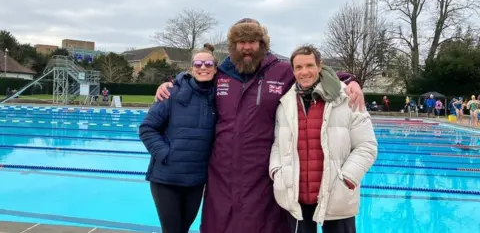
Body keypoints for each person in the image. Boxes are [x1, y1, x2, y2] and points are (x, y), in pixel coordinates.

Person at [155, 18, 366, 233]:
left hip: (262, 169)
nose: (247, 47)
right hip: (221, 169)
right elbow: (196, 78)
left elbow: (312, 74)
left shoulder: (281, 71)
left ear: (262, 44)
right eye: (241, 42)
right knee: (220, 223)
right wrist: (173, 81)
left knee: (264, 224)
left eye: (253, 41)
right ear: (233, 45)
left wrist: (350, 80)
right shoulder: (221, 74)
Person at [269, 45, 378, 233]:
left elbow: (366, 146)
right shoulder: (284, 103)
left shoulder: (347, 98)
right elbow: (278, 144)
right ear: (293, 71)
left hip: (337, 194)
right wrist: (278, 173)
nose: (304, 72)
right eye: (298, 67)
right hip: (296, 196)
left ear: (320, 67)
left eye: (309, 65)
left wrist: (348, 178)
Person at [139, 44, 218, 233]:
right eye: (198, 63)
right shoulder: (172, 93)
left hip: (196, 179)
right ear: (191, 68)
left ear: (215, 69)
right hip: (166, 178)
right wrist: (165, 154)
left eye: (208, 63)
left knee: (183, 228)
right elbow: (147, 128)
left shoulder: (219, 99)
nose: (203, 67)